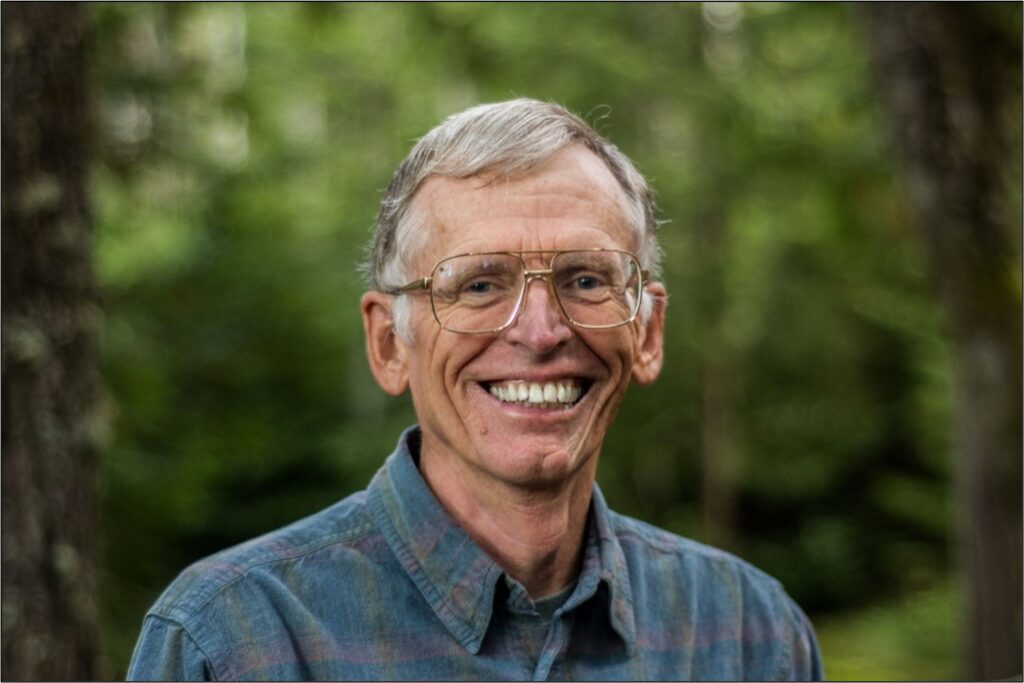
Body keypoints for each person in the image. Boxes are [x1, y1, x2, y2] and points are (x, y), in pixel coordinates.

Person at [127, 99, 823, 681]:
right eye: (481, 284)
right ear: (389, 343)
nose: (543, 330)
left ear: (647, 330)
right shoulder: (233, 643)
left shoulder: (751, 636)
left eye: (585, 278)